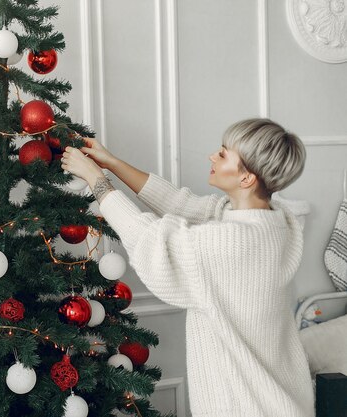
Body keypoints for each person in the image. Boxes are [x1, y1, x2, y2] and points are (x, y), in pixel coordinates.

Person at [61, 118, 314, 417]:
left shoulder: (231, 241)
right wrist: (110, 162)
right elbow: (178, 203)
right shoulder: (273, 221)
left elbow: (148, 237)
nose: (212, 156)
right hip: (282, 400)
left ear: (246, 178)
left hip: (246, 406)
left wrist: (95, 178)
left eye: (223, 154)